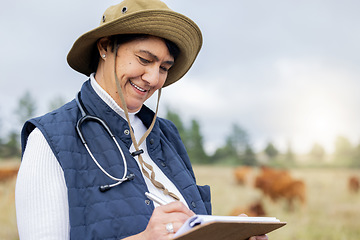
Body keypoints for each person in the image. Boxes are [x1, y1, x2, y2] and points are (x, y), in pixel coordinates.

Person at [15, 0, 269, 239]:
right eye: (144, 60)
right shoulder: (49, 139)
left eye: (164, 67)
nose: (153, 78)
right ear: (105, 47)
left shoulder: (167, 135)